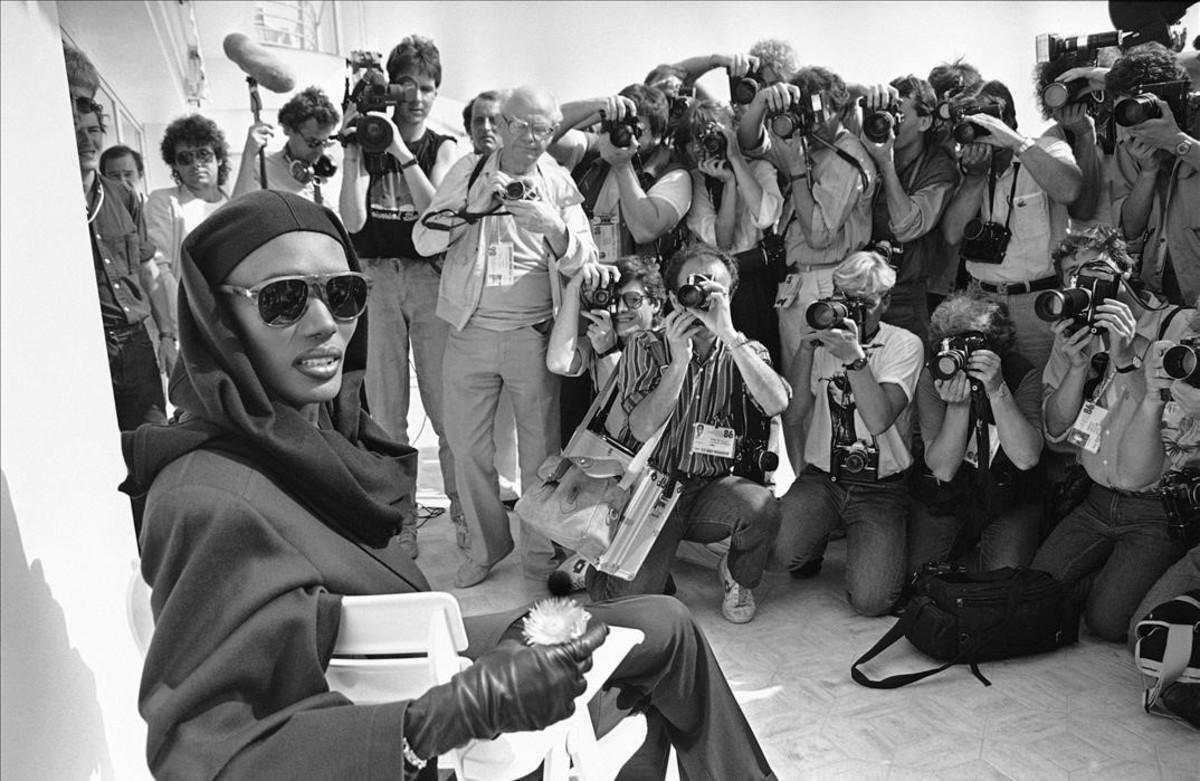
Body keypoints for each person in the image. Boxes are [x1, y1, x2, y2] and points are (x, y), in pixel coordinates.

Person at [122, 189, 776, 781]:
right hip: (412, 724)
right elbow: (204, 757)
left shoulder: (311, 439)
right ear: (219, 318)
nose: (325, 323)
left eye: (344, 293)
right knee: (650, 665)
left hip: (416, 649)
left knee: (665, 621)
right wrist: (431, 723)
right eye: (285, 297)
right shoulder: (210, 495)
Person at [413, 86, 602, 588]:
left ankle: (539, 553)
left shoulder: (559, 182)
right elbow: (423, 238)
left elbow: (587, 257)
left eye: (544, 129)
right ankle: (484, 546)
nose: (533, 139)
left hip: (533, 336)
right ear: (503, 124)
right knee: (467, 447)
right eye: (523, 126)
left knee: (540, 454)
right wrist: (472, 207)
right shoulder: (470, 170)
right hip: (469, 331)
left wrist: (553, 225)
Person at [587, 243, 789, 624]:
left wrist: (728, 335)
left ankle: (737, 575)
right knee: (628, 605)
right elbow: (643, 427)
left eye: (714, 287)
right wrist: (678, 362)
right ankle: (610, 563)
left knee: (761, 508)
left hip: (710, 487)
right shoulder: (645, 346)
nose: (701, 295)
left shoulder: (744, 349)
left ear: (729, 296)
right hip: (651, 490)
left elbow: (776, 402)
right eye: (692, 286)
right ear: (675, 295)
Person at [1034, 226, 1195, 642]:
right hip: (1095, 497)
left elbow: (1167, 433)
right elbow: (1054, 432)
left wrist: (1124, 359)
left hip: (1155, 508)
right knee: (1036, 588)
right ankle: (1106, 579)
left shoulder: (1177, 327)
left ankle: (1115, 585)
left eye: (1092, 269)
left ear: (1126, 268)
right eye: (1071, 275)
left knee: (1107, 623)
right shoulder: (1075, 333)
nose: (1082, 283)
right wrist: (1075, 368)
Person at [341, 36, 461, 559]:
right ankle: (401, 522)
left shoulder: (443, 146)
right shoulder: (364, 142)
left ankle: (465, 516)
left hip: (428, 277)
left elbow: (436, 217)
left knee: (446, 408)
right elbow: (352, 221)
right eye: (407, 84)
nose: (416, 97)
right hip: (375, 279)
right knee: (387, 411)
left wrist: (398, 150)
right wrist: (352, 151)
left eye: (428, 87)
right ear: (391, 86)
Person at [737, 65, 880, 473]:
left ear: (841, 110)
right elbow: (747, 143)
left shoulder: (845, 156)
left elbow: (818, 234)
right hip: (799, 284)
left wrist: (796, 170)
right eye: (807, 112)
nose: (814, 122)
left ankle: (828, 487)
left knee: (823, 400)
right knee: (796, 398)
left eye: (823, 112)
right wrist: (765, 101)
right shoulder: (805, 144)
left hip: (828, 280)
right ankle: (805, 485)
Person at [771, 250, 923, 617]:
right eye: (842, 300)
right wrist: (805, 351)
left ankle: (852, 538)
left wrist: (855, 359)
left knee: (872, 602)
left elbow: (878, 420)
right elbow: (792, 417)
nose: (849, 312)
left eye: (863, 303)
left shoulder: (905, 344)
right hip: (823, 476)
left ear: (885, 302)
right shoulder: (822, 339)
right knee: (775, 557)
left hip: (880, 486)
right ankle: (815, 537)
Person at [939, 79, 1083, 372]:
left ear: (1009, 118)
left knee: (1043, 392)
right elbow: (952, 234)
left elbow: (1069, 190)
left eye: (986, 120)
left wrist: (1015, 142)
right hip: (981, 301)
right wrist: (975, 178)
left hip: (1038, 302)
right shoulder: (967, 165)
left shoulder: (1047, 149)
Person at [908, 292, 1044, 575]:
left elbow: (1027, 458)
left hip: (1010, 494)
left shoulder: (1019, 371)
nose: (963, 353)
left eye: (972, 342)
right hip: (950, 493)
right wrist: (958, 407)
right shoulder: (934, 375)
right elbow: (942, 469)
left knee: (1003, 582)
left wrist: (997, 391)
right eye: (952, 342)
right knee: (917, 577)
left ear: (996, 341)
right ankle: (967, 544)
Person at [75, 97, 172, 429]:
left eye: (92, 130)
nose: (86, 140)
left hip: (135, 345)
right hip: (86, 349)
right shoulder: (51, 198)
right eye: (76, 130)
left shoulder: (125, 196)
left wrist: (167, 337)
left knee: (154, 438)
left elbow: (148, 270)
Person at [680, 99, 785, 364]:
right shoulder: (697, 180)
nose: (708, 146)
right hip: (718, 283)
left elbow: (766, 217)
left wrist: (736, 160)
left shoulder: (758, 167)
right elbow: (722, 242)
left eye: (715, 136)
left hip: (757, 282)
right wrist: (727, 185)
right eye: (698, 140)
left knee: (762, 359)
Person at [859, 75, 958, 345]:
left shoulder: (939, 166)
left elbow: (906, 226)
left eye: (898, 115)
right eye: (885, 112)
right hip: (864, 290)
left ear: (924, 122)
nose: (886, 123)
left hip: (906, 296)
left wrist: (885, 163)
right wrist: (866, 91)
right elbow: (832, 92)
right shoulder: (865, 146)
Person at [462, 89, 522, 508]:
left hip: (523, 315)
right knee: (479, 420)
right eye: (477, 121)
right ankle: (488, 498)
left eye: (493, 120)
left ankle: (518, 487)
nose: (485, 128)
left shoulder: (534, 170)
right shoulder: (462, 174)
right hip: (475, 318)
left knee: (523, 416)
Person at [1107, 42, 1200, 306]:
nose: (1128, 125)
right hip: (1160, 297)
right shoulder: (1130, 145)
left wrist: (1177, 142)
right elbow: (1131, 230)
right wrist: (1147, 174)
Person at [145, 114, 231, 343]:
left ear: (219, 158)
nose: (196, 164)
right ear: (175, 165)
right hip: (190, 326)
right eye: (185, 158)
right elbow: (160, 269)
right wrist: (178, 331)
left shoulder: (235, 203)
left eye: (203, 154)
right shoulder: (164, 202)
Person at [233, 85, 343, 213]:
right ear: (288, 129)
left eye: (324, 142)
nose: (320, 152)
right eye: (313, 142)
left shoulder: (331, 172)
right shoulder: (262, 170)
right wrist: (249, 154)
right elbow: (235, 216)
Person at [462, 90, 504, 155]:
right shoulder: (461, 164)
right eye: (479, 121)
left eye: (494, 121)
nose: (486, 127)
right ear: (469, 129)